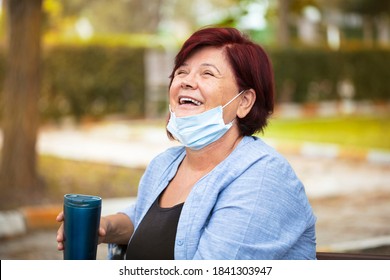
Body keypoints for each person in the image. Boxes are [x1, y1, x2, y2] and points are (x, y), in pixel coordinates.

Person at [56, 26, 317, 260]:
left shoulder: (263, 178)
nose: (186, 81)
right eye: (181, 71)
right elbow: (147, 221)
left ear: (244, 102)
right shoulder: (165, 165)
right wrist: (105, 227)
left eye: (207, 74)